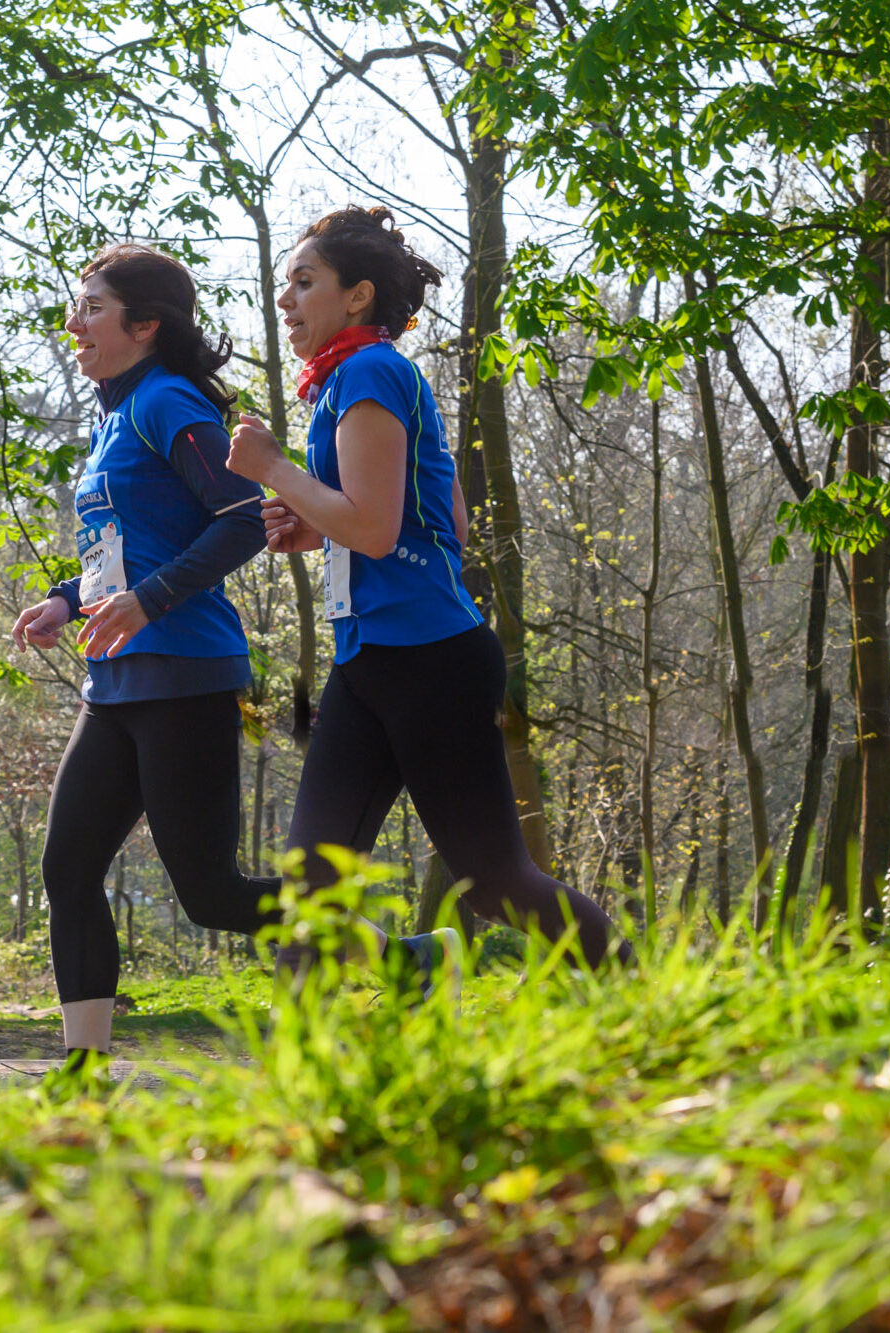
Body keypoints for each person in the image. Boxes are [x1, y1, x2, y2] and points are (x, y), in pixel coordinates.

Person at [226, 205, 630, 970]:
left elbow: (376, 530)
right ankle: (322, 1053)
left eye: (302, 282)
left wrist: (275, 471)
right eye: (284, 284)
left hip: (429, 658)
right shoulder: (355, 376)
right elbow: (442, 519)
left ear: (357, 295)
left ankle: (639, 991)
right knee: (310, 881)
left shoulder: (371, 370)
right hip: (373, 657)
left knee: (494, 883)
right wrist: (318, 524)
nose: (284, 300)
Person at [10, 244, 280, 1074]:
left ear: (145, 325)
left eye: (91, 307)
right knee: (68, 866)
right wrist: (66, 595)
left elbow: (244, 517)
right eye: (77, 305)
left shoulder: (168, 403)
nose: (73, 322)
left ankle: (400, 951)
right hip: (116, 681)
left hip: (187, 674)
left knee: (213, 896)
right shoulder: (113, 415)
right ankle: (83, 1073)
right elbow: (119, 551)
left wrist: (151, 600)